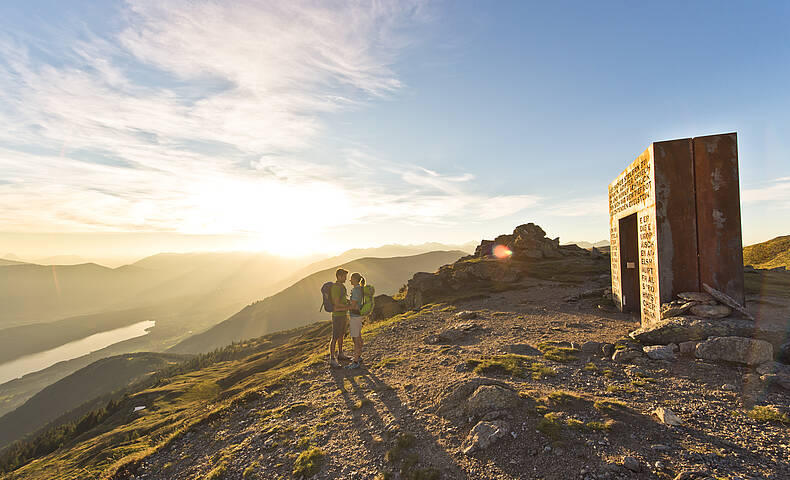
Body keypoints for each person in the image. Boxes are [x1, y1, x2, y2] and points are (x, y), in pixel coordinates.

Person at [329, 268, 350, 368]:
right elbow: (336, 304)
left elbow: (343, 299)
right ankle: (332, 359)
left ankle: (340, 354)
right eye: (344, 276)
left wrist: (349, 302)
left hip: (343, 315)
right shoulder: (335, 288)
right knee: (335, 337)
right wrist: (348, 307)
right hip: (337, 316)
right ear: (339, 276)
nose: (346, 278)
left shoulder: (342, 286)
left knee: (341, 335)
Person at [346, 272, 367, 369]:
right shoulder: (361, 289)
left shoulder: (355, 290)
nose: (350, 280)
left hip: (354, 316)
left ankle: (355, 361)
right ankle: (358, 356)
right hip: (359, 315)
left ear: (354, 279)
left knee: (356, 338)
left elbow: (353, 305)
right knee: (358, 336)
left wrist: (344, 306)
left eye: (351, 278)